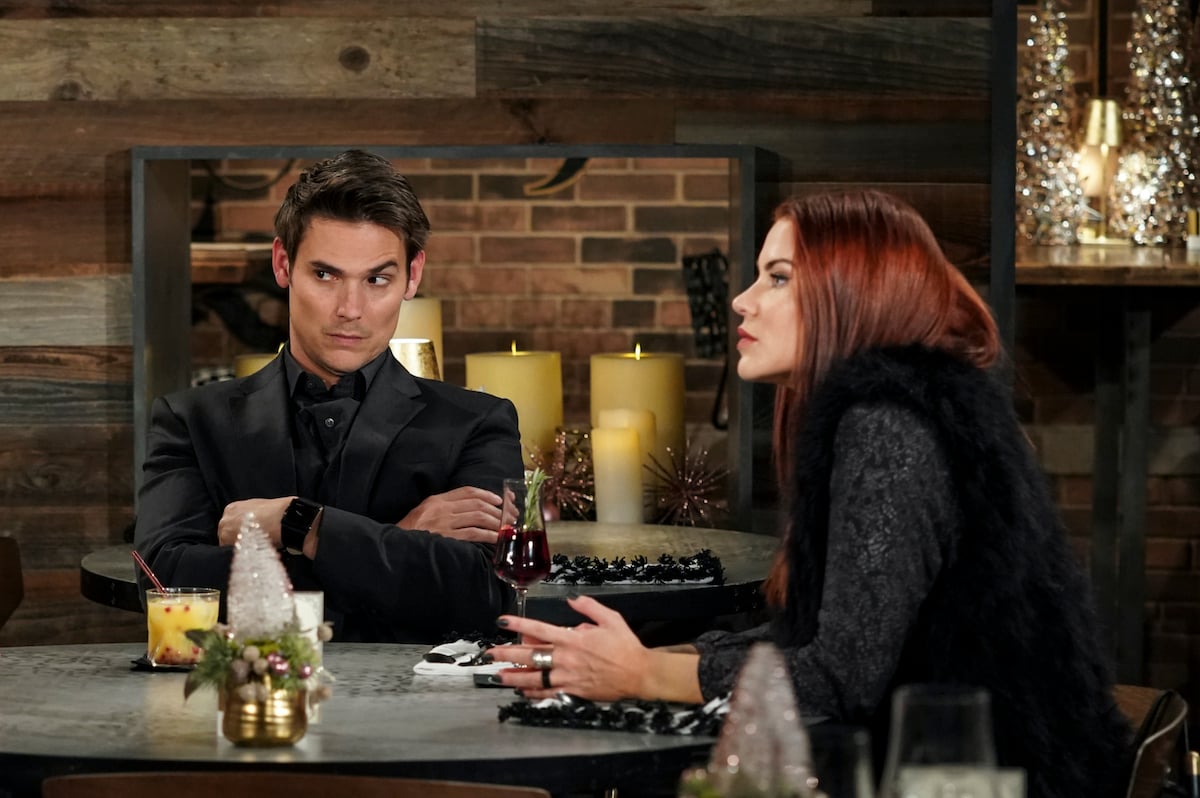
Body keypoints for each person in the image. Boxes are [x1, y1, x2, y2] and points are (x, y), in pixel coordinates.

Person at [496, 191, 1132, 797]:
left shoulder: (887, 427)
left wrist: (644, 673)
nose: (742, 301)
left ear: (851, 292)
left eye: (777, 278)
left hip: (977, 777)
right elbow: (809, 637)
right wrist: (622, 659)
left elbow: (840, 678)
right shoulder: (909, 407)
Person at [135, 149, 524, 643]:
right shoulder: (190, 420)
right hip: (250, 689)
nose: (350, 309)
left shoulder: (478, 424)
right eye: (325, 275)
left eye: (377, 279)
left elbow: (486, 598)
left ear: (413, 275)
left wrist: (300, 524)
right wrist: (398, 540)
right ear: (283, 264)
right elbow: (166, 586)